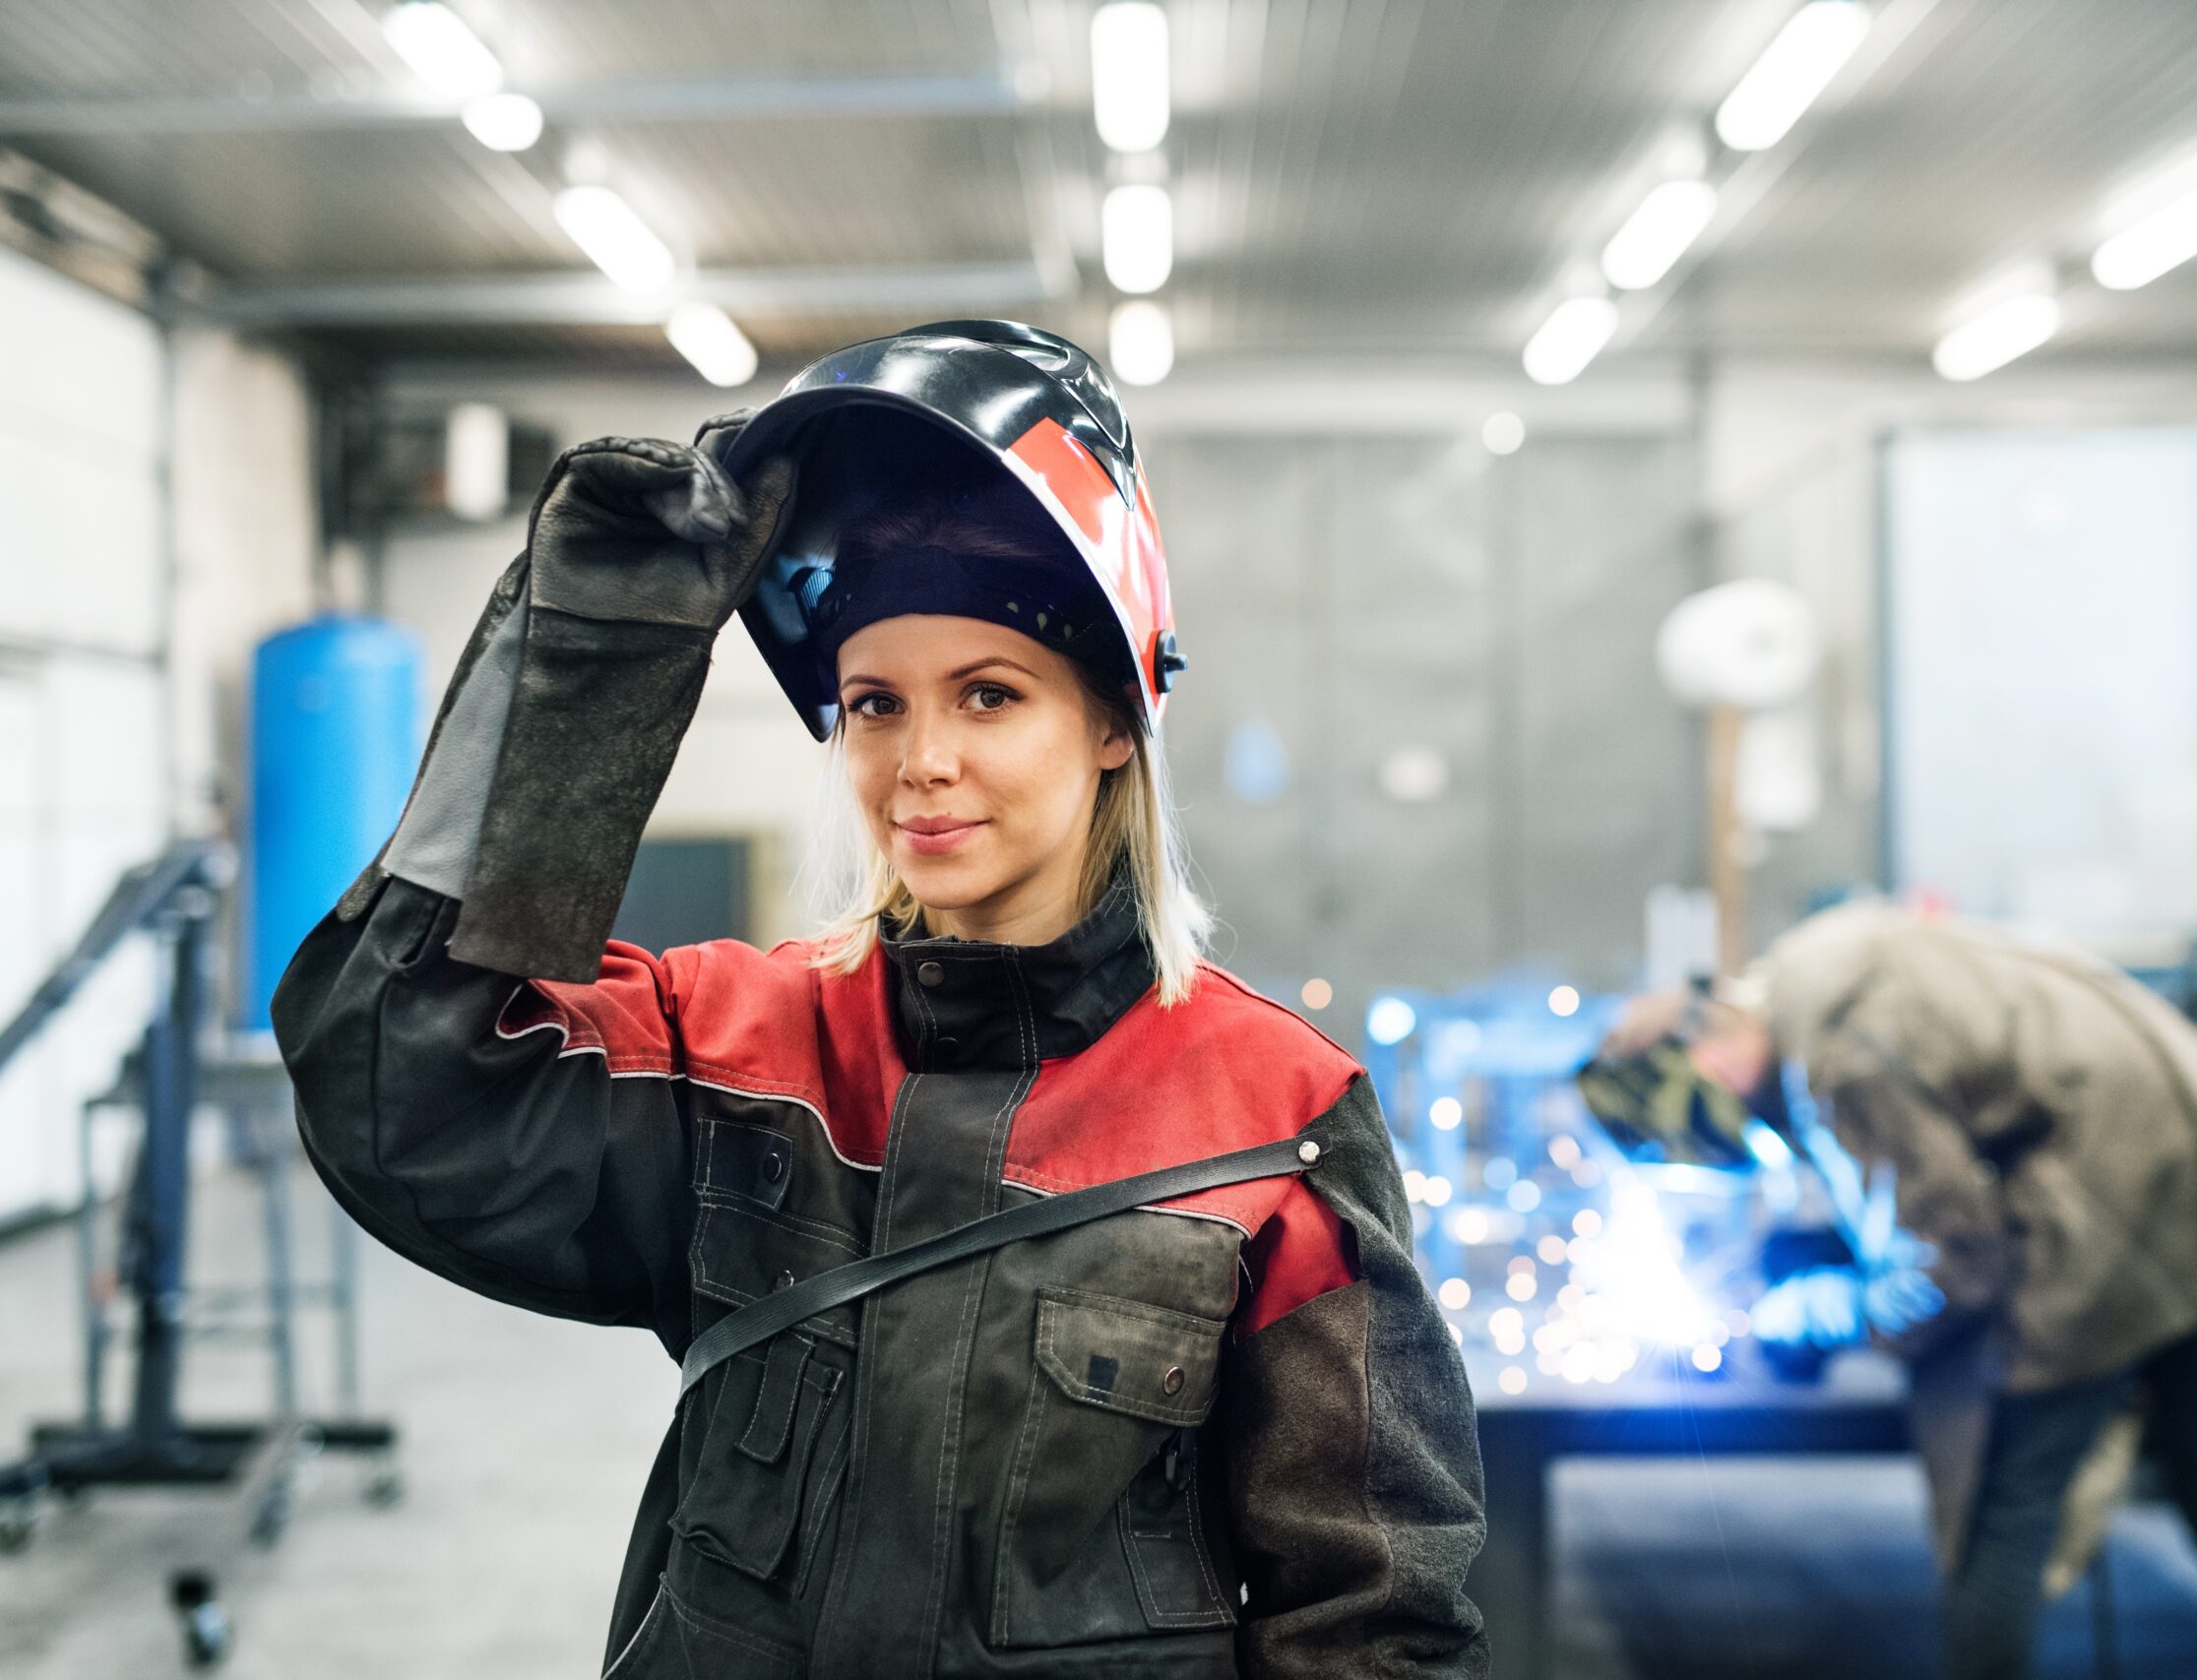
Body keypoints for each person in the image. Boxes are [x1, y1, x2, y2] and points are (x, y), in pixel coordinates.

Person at [275, 321, 1486, 1680]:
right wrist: (591, 658)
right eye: (873, 702)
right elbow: (392, 1076)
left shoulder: (1274, 1113)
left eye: (988, 693)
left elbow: (1373, 1607)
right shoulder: (730, 1039)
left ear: (1109, 722)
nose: (921, 760)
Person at [1577, 900, 2197, 1680]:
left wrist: (1806, 1312)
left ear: (1705, 1066)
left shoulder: (1840, 1059)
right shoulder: (1819, 965)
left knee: (2002, 1512)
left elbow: (1951, 1271)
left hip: (2118, 1198)